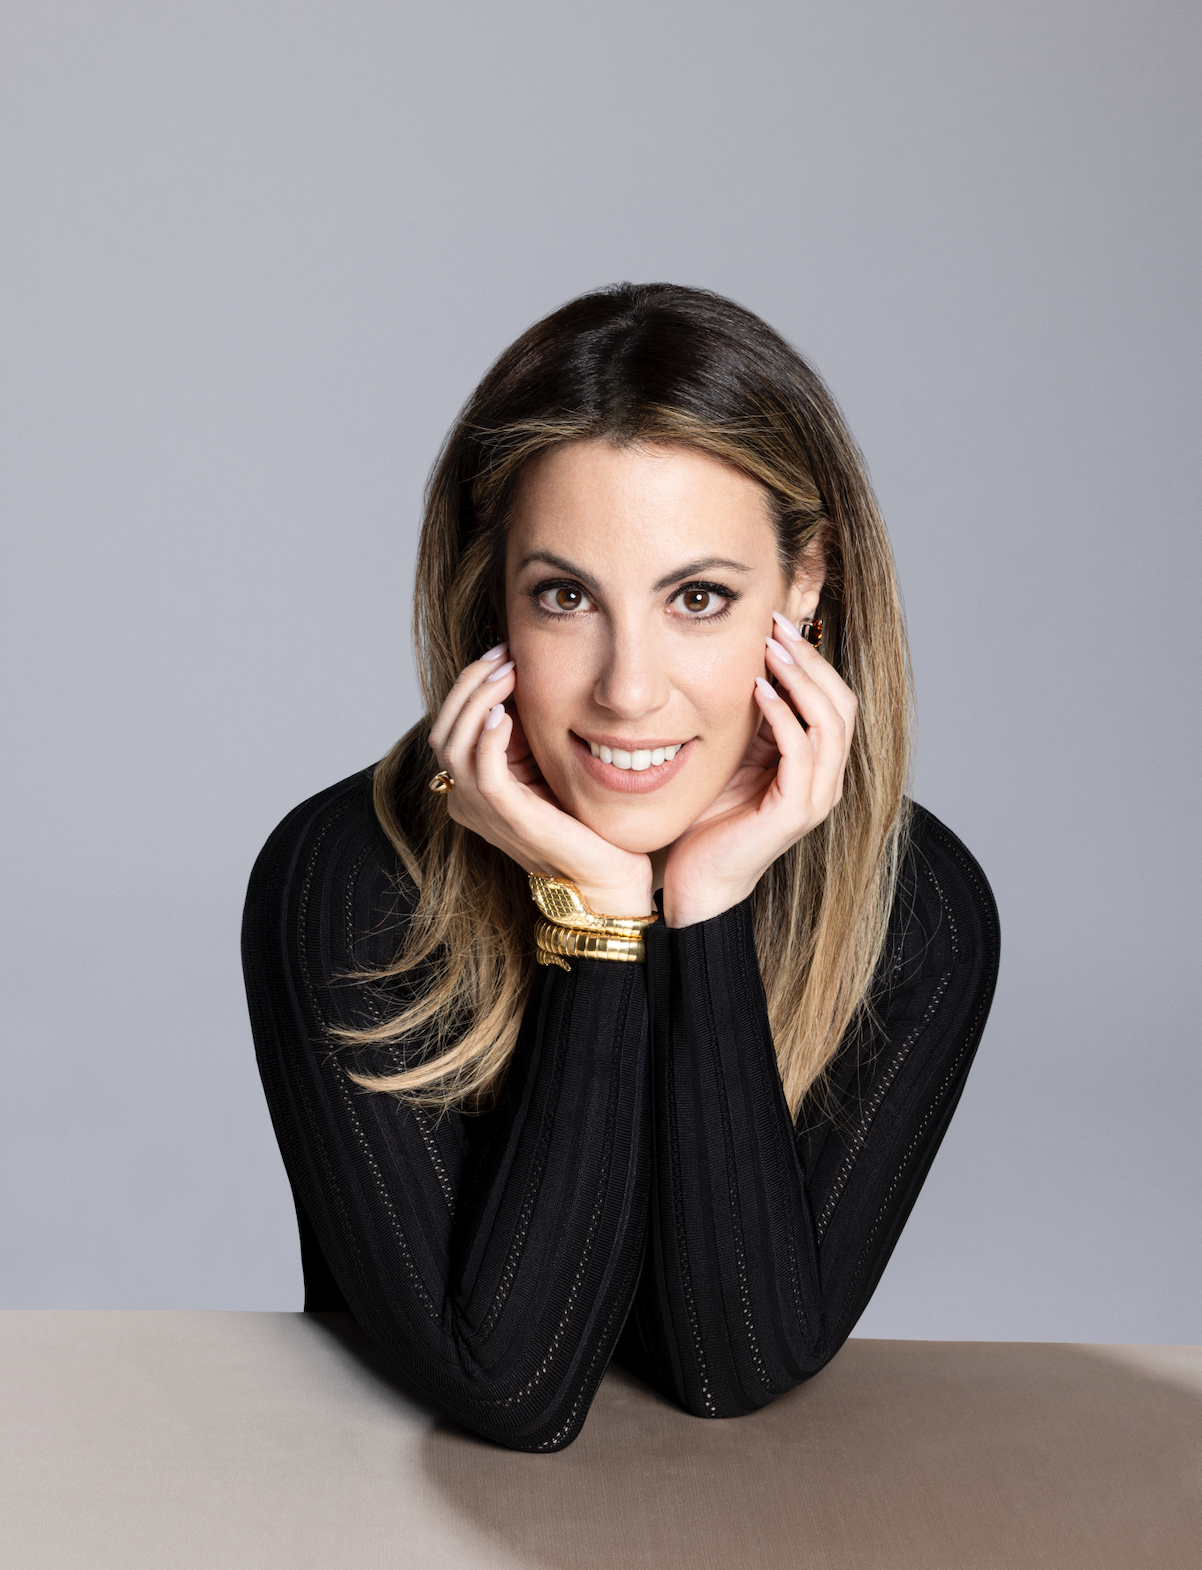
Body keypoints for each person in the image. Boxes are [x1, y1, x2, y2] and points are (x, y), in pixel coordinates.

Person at [241, 282, 1000, 1454]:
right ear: (492, 593)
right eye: (563, 596)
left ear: (804, 582)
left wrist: (704, 908)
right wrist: (596, 913)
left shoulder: (919, 910)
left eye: (697, 598)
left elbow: (727, 1364)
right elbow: (512, 1386)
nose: (627, 688)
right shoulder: (348, 877)